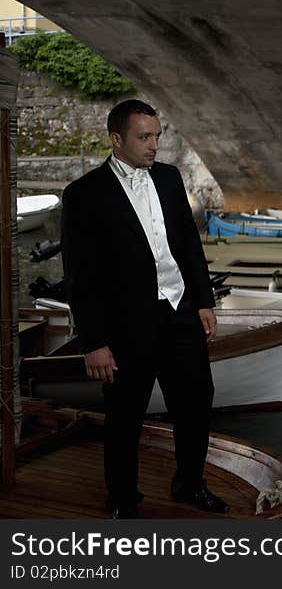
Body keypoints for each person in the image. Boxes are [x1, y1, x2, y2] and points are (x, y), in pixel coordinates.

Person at [61, 99, 228, 517]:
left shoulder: (170, 179)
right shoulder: (84, 194)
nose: (154, 145)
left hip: (180, 312)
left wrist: (203, 302)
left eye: (157, 136)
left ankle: (189, 485)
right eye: (144, 137)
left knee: (195, 403)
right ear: (116, 139)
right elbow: (80, 275)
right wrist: (93, 342)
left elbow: (189, 247)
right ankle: (122, 500)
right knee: (124, 418)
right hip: (125, 326)